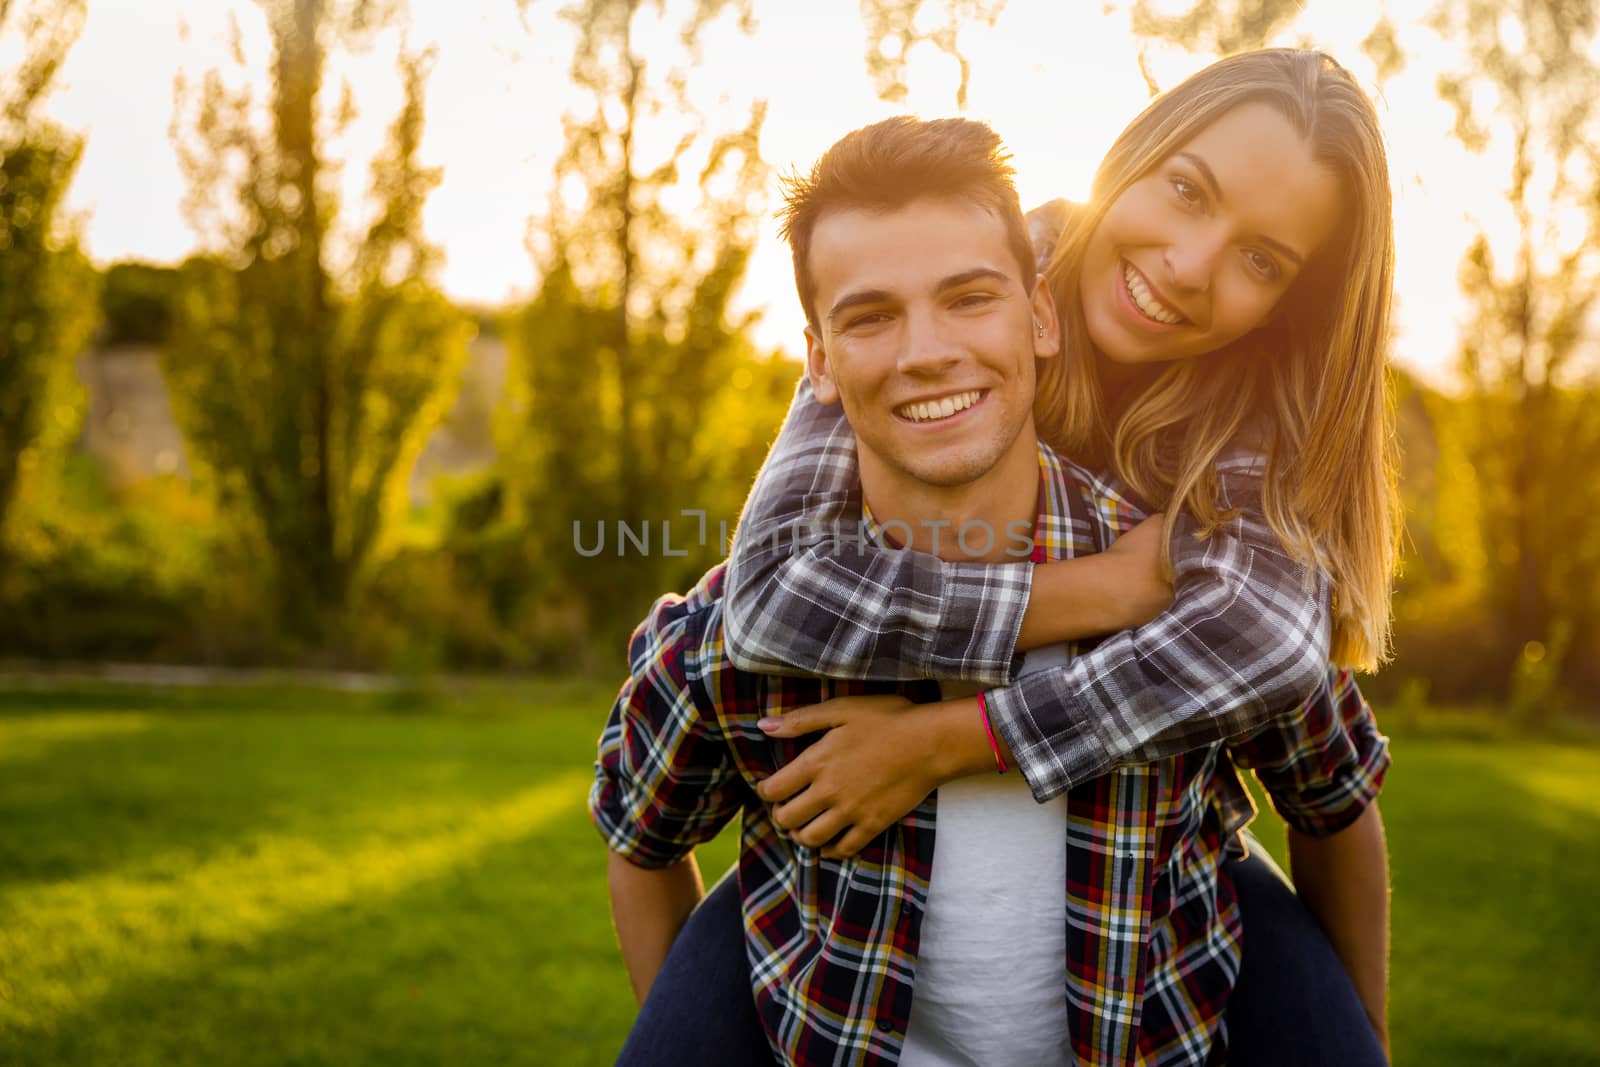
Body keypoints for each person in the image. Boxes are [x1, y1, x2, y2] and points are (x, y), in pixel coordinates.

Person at [592, 113, 1391, 1067]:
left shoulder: (1206, 585)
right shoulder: (743, 629)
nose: (926, 351)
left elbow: (1333, 796)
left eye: (970, 298)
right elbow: (641, 834)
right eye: (870, 315)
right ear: (817, 363)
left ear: (1038, 313)